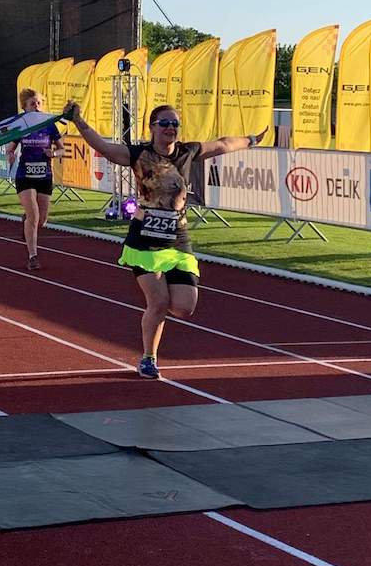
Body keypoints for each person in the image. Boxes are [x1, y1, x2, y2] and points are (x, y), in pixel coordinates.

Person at [70, 100, 265, 379]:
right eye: (164, 123)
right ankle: (148, 358)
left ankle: (157, 313)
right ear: (152, 127)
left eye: (175, 124)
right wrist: (78, 121)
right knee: (159, 302)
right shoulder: (138, 154)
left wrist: (251, 140)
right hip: (145, 239)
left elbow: (222, 144)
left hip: (177, 238)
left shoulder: (188, 152)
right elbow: (104, 147)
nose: (170, 128)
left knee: (184, 307)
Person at [6, 88, 64, 271]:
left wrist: (53, 153)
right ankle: (33, 256)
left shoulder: (49, 125)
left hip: (44, 176)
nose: (37, 106)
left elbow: (62, 149)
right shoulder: (21, 125)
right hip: (25, 175)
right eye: (33, 103)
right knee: (34, 215)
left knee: (42, 219)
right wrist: (10, 155)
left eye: (39, 103)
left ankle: (27, 223)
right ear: (25, 107)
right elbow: (9, 147)